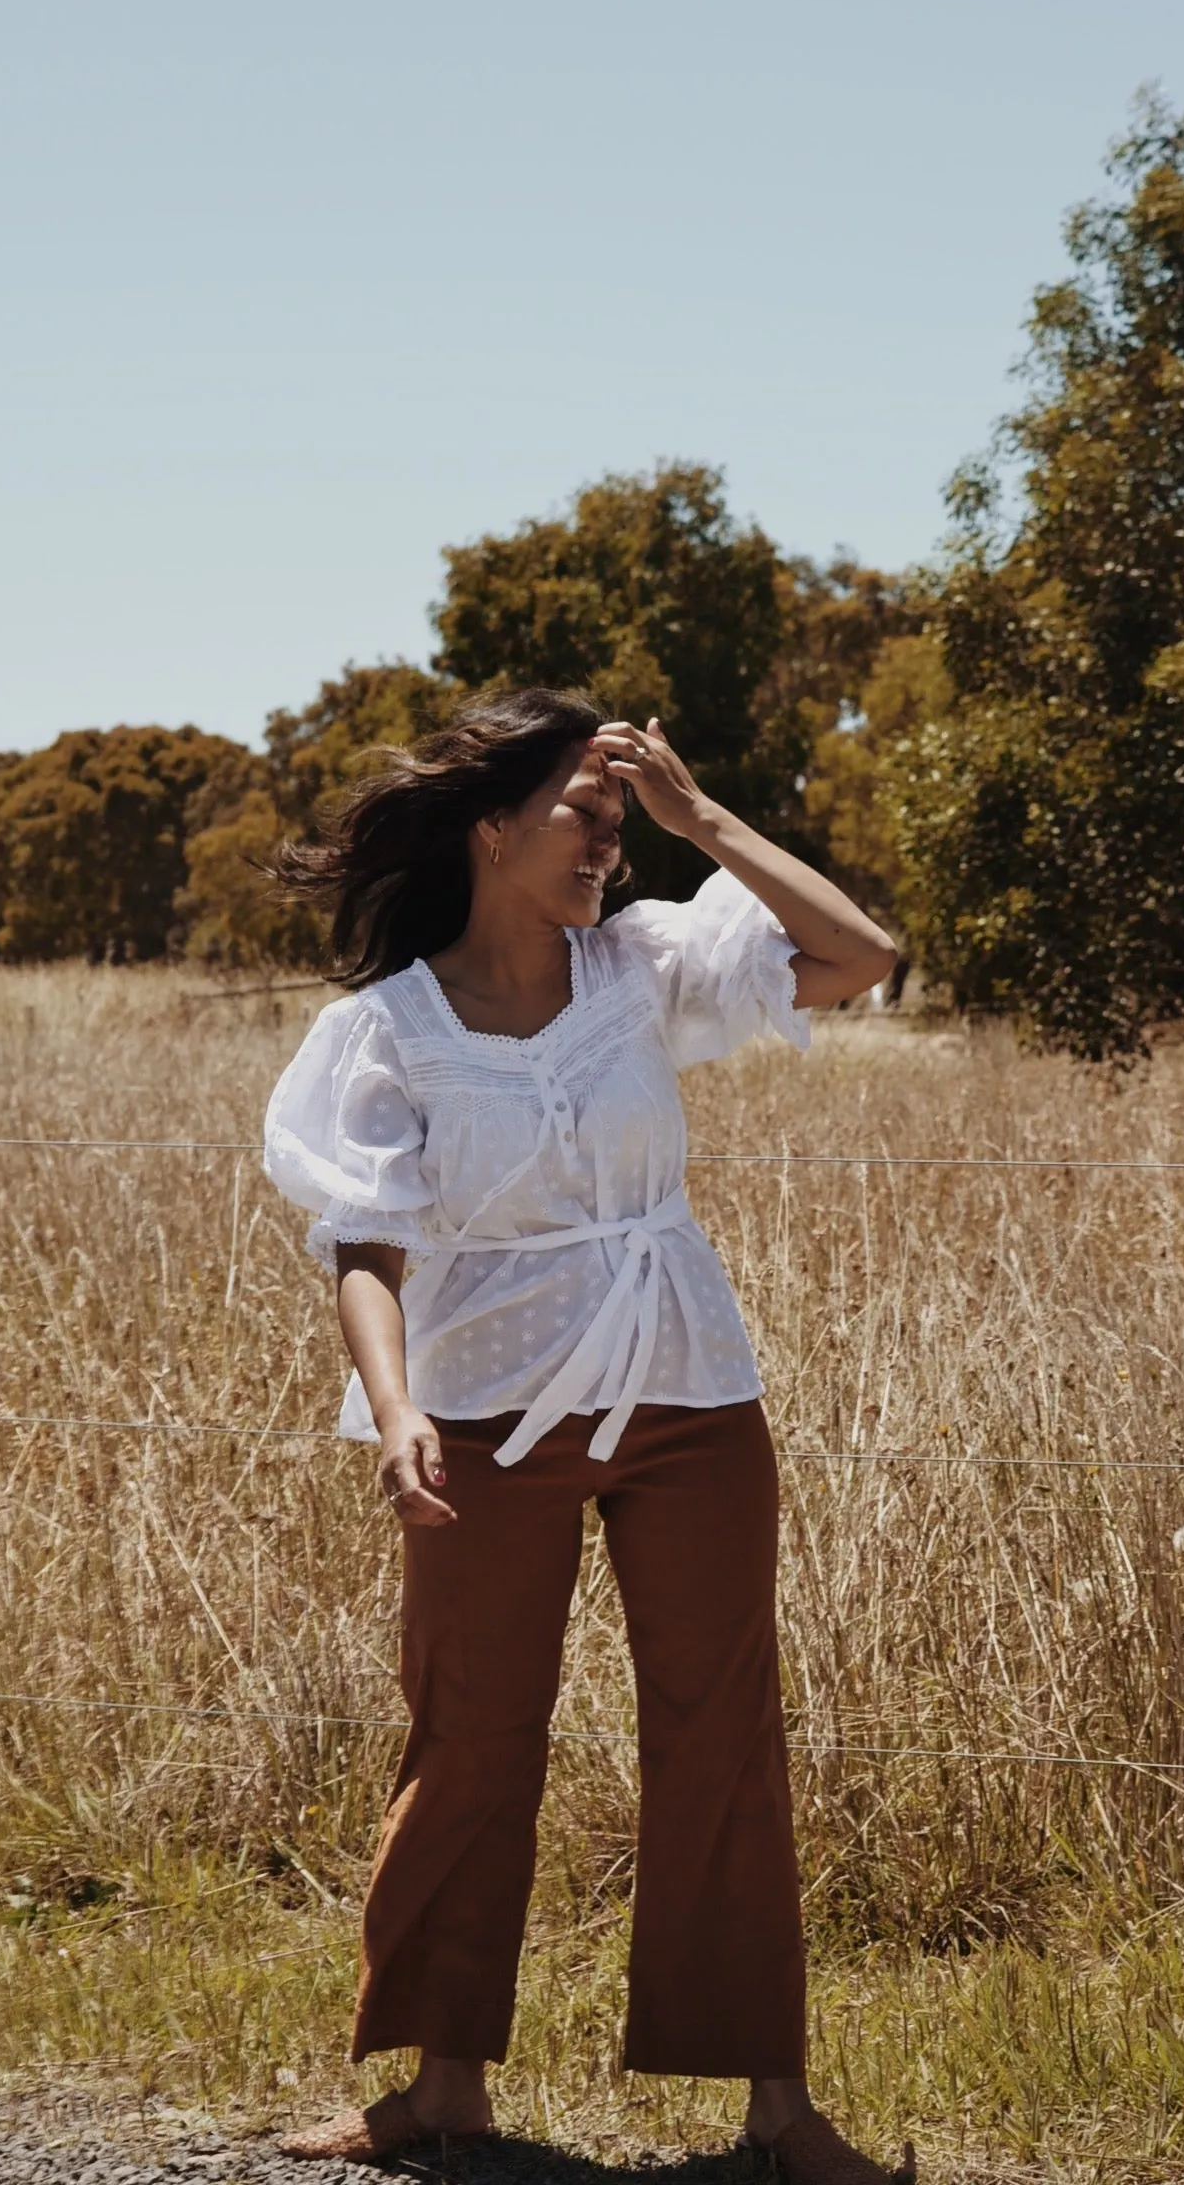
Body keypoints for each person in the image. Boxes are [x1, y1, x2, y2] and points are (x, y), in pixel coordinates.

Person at [262, 688, 914, 2185]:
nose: (609, 850)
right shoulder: (386, 1031)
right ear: (492, 829)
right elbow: (366, 1243)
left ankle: (777, 2112)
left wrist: (705, 822)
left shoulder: (644, 969)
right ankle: (442, 2090)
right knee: (472, 1730)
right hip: (487, 1406)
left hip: (686, 1383)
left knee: (723, 1732)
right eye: (589, 815)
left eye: (624, 826)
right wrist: (398, 1405)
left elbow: (859, 960)